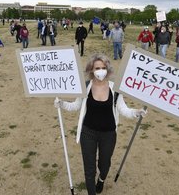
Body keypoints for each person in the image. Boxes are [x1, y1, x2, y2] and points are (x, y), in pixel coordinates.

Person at [55, 54, 147, 195]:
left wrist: (136, 112)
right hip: (88, 133)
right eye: (97, 68)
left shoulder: (114, 89)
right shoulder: (85, 87)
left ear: (108, 69)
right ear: (91, 70)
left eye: (104, 67)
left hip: (108, 134)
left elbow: (123, 109)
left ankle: (102, 179)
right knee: (89, 169)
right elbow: (75, 106)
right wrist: (61, 103)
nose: (101, 71)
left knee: (104, 165)